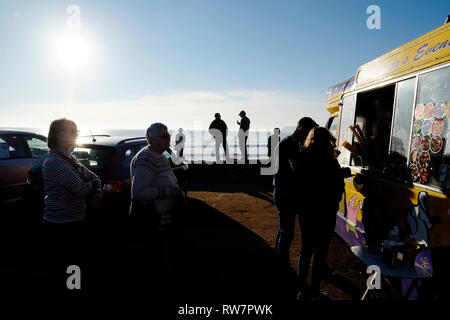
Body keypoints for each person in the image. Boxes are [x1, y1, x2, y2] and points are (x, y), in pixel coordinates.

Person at [42, 118, 102, 290]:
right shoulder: (55, 161)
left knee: (75, 264)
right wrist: (92, 187)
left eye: (76, 132)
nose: (75, 135)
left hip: (73, 220)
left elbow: (94, 177)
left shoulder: (69, 158)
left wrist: (96, 190)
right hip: (61, 224)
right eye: (72, 132)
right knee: (68, 266)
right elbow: (81, 188)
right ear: (59, 135)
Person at [295, 127, 345, 300]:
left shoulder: (302, 157)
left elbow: (297, 184)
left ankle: (301, 290)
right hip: (326, 212)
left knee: (305, 249)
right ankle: (315, 291)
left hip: (306, 211)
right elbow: (339, 186)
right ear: (328, 139)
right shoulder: (331, 160)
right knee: (320, 252)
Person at [273, 117, 317, 273]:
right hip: (285, 193)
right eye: (308, 131)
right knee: (287, 231)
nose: (308, 136)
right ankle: (282, 265)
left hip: (284, 192)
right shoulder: (288, 144)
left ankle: (279, 260)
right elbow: (293, 171)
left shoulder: (290, 143)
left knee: (284, 229)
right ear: (300, 128)